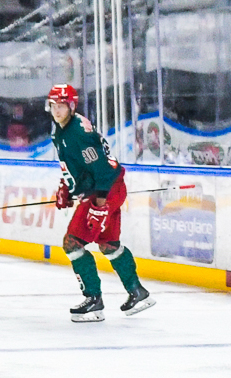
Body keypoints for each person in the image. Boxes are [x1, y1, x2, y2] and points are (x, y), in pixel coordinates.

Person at [46, 83, 152, 321]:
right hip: (105, 189)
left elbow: (103, 171)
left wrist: (99, 206)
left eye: (62, 105)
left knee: (72, 242)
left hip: (106, 190)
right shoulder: (59, 131)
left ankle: (94, 300)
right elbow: (76, 167)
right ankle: (138, 292)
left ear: (71, 106)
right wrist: (67, 187)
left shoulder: (78, 134)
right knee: (108, 243)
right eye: (53, 105)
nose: (57, 110)